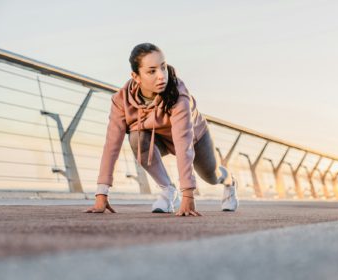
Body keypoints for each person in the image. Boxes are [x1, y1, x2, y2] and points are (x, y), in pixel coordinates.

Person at [84, 43, 239, 216]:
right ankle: (168, 190)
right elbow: (111, 145)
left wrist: (188, 194)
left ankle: (230, 182)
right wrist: (101, 193)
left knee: (212, 176)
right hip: (159, 139)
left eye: (163, 67)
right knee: (136, 138)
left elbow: (183, 145)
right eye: (151, 71)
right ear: (136, 76)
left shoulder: (179, 96)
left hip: (195, 138)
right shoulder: (121, 101)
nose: (161, 76)